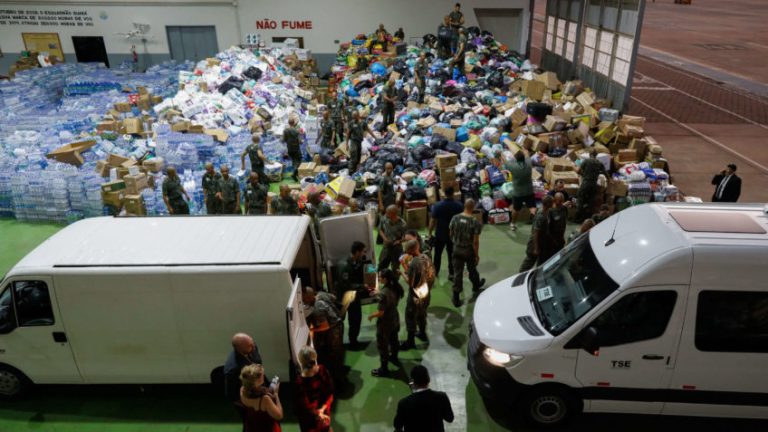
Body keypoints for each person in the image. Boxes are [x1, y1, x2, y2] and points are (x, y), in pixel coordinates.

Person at [393, 365, 454, 432]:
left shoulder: (404, 403)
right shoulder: (442, 397)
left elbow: (397, 425)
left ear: (413, 382)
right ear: (428, 379)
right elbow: (450, 419)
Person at [449, 199, 485, 307]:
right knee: (472, 269)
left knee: (457, 273)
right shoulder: (475, 222)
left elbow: (450, 233)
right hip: (468, 250)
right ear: (473, 207)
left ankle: (456, 297)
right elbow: (475, 241)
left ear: (464, 205)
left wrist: (455, 243)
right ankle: (476, 285)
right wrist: (476, 255)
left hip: (456, 249)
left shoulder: (455, 218)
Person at [303, 288, 344, 381]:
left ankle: (338, 380)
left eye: (304, 300)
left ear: (309, 298)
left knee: (335, 354)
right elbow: (334, 297)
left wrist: (311, 329)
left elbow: (325, 326)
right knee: (337, 353)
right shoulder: (321, 294)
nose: (304, 302)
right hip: (338, 322)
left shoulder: (317, 308)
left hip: (334, 330)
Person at [368, 268, 404, 377]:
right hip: (394, 318)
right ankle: (394, 357)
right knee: (394, 340)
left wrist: (371, 316)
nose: (378, 279)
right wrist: (379, 293)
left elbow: (381, 313)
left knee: (383, 345)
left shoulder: (383, 294)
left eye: (380, 277)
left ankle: (384, 369)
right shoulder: (396, 288)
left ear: (386, 279)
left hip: (385, 323)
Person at [400, 239, 434, 350]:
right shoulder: (426, 258)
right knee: (422, 313)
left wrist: (401, 273)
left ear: (409, 251)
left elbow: (410, 282)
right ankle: (422, 333)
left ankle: (410, 342)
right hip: (426, 293)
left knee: (410, 316)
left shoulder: (414, 262)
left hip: (416, 295)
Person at [336, 241, 369, 349]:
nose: (364, 254)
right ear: (357, 252)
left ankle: (353, 341)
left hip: (353, 296)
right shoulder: (345, 265)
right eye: (363, 252)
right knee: (340, 321)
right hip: (345, 296)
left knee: (355, 319)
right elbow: (345, 285)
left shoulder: (355, 262)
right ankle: (338, 343)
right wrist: (361, 286)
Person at [295, 346, 334, 432]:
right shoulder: (322, 370)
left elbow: (305, 406)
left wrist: (317, 413)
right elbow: (330, 393)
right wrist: (323, 410)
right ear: (315, 358)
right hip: (324, 413)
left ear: (301, 362)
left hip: (310, 419)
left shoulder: (299, 382)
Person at [429, 186, 463, 281]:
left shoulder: (438, 205)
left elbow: (433, 221)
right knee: (452, 254)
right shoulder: (459, 205)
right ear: (453, 193)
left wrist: (430, 232)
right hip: (453, 235)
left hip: (440, 234)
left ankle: (435, 272)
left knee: (437, 254)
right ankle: (451, 273)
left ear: (443, 193)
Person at [239, 364, 283, 432]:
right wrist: (276, 395)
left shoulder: (242, 390)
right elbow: (279, 415)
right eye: (263, 375)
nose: (264, 376)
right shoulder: (265, 399)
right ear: (258, 380)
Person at [520, 195, 555, 272]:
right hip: (535, 243)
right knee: (529, 262)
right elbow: (535, 233)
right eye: (552, 202)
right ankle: (520, 276)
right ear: (549, 204)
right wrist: (536, 248)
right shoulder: (541, 216)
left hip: (542, 242)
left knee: (541, 262)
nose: (553, 204)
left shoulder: (546, 212)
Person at [224, 333, 263, 402]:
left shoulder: (251, 346)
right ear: (239, 349)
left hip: (258, 384)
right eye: (250, 346)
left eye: (252, 342)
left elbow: (258, 362)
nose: (254, 346)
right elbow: (232, 394)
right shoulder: (233, 369)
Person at [506, 151, 536, 231]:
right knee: (532, 207)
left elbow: (507, 162)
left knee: (516, 209)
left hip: (518, 192)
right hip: (529, 190)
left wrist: (513, 156)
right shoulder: (529, 164)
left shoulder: (513, 167)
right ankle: (534, 217)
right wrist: (525, 151)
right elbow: (528, 156)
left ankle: (513, 224)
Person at [576, 148, 606, 222]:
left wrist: (583, 174)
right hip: (594, 185)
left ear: (589, 154)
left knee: (580, 199)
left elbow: (578, 171)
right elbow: (605, 173)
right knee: (590, 202)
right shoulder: (599, 163)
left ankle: (578, 219)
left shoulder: (586, 161)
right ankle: (588, 218)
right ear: (596, 155)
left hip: (586, 183)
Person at [378, 204, 407, 272]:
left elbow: (405, 237)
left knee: (395, 266)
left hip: (396, 248)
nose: (386, 214)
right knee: (382, 263)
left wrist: (399, 241)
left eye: (388, 212)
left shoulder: (402, 223)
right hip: (386, 247)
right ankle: (381, 277)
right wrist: (385, 239)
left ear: (393, 214)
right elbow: (380, 229)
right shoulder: (384, 218)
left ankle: (394, 280)